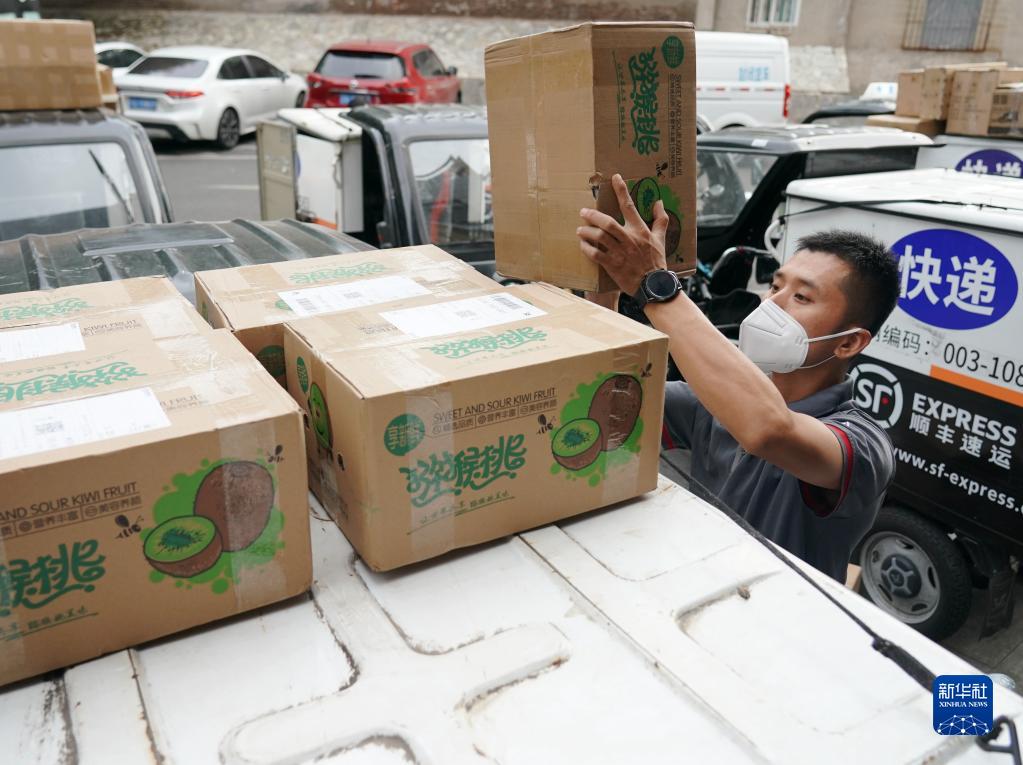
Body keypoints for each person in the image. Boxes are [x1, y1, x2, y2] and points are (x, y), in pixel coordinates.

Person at [576, 174, 897, 582]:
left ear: (849, 342)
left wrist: (654, 286)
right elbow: (605, 398)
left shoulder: (864, 446)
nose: (773, 305)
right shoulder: (713, 402)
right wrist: (603, 290)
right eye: (775, 286)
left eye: (801, 297)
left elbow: (769, 429)